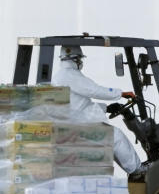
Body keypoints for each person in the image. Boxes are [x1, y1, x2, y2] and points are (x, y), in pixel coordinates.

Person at [52, 45, 142, 173]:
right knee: (115, 137)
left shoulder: (62, 76)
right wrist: (120, 93)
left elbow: (81, 104)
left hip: (76, 121)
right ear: (75, 59)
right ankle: (138, 170)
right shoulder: (70, 75)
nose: (81, 62)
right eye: (80, 59)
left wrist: (107, 108)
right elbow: (94, 90)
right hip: (77, 126)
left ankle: (134, 171)